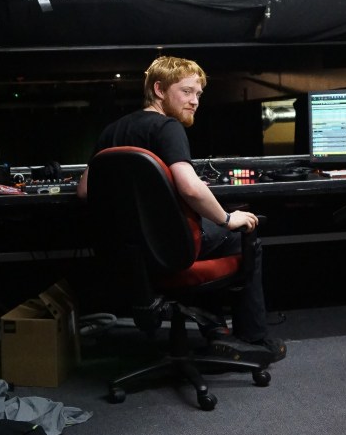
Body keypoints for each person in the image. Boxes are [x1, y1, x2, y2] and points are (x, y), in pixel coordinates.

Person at [77, 55, 286, 364]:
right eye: (187, 91)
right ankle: (251, 339)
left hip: (128, 252)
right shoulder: (168, 127)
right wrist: (228, 218)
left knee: (212, 232)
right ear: (159, 90)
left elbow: (84, 191)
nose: (195, 101)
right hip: (170, 248)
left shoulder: (113, 131)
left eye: (198, 94)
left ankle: (216, 328)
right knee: (242, 235)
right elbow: (190, 187)